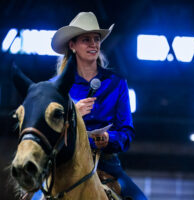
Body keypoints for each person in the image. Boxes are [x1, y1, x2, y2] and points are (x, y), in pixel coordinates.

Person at [49, 12, 148, 200]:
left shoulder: (117, 84)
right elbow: (48, 131)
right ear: (72, 45)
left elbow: (127, 132)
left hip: (106, 162)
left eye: (96, 39)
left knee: (141, 199)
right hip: (66, 163)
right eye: (86, 40)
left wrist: (108, 138)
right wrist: (73, 114)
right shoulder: (57, 87)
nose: (93, 44)